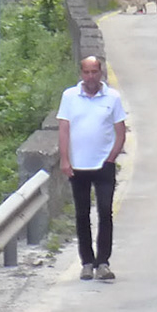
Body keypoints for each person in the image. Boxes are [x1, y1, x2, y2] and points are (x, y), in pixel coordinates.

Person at [57, 55, 127, 282]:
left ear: (101, 73)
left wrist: (111, 157)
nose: (90, 77)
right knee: (82, 214)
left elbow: (120, 131)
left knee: (105, 212)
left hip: (103, 164)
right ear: (81, 74)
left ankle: (103, 262)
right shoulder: (69, 97)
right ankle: (87, 262)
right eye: (86, 72)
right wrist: (65, 159)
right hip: (79, 166)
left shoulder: (112, 98)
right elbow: (64, 129)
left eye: (94, 72)